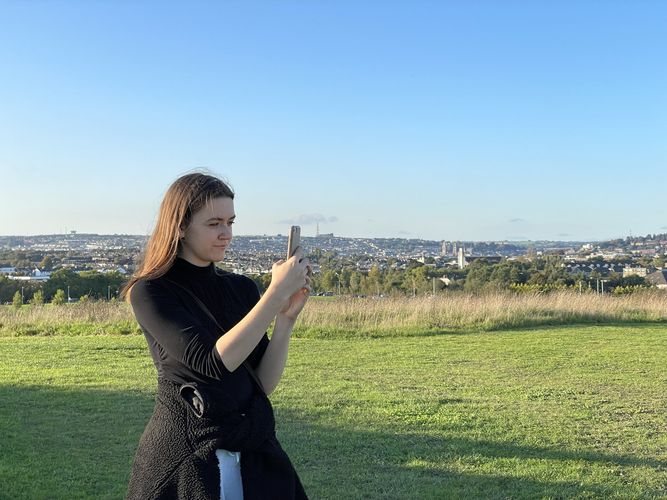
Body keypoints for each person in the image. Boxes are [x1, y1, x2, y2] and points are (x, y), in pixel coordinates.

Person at [122, 172, 311, 500]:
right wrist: (275, 294)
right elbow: (211, 363)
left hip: (253, 455)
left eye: (231, 222)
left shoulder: (240, 288)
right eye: (214, 224)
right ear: (180, 226)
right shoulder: (150, 291)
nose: (227, 234)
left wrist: (284, 320)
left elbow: (261, 383)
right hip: (188, 455)